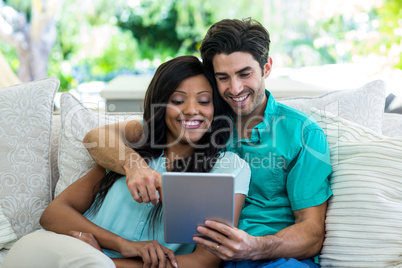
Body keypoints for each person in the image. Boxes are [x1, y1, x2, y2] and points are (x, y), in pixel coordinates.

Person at [83, 18, 332, 267]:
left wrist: (256, 247)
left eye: (245, 74)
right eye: (223, 77)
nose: (235, 88)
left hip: (273, 259)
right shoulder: (194, 120)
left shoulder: (302, 133)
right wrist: (133, 164)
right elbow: (97, 138)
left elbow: (311, 233)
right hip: (206, 260)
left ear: (266, 68)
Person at [3, 56, 251, 268]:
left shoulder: (229, 168)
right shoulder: (128, 151)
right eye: (177, 101)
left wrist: (105, 260)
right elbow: (54, 214)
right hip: (56, 253)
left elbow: (203, 262)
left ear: (215, 108)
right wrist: (124, 246)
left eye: (204, 101)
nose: (191, 110)